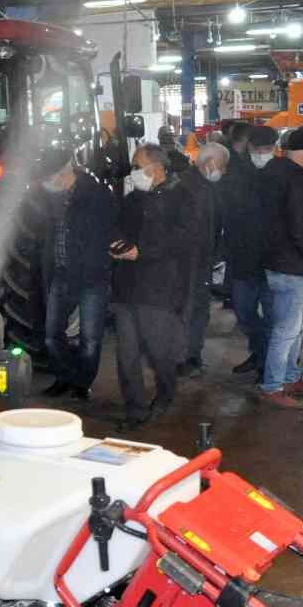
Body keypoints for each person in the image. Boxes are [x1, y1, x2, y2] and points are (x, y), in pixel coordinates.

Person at [109, 145, 194, 428]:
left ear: (156, 167)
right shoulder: (133, 199)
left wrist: (142, 251)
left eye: (137, 166)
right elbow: (119, 227)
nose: (132, 172)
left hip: (158, 289)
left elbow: (182, 241)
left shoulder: (181, 198)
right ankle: (135, 409)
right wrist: (117, 245)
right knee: (126, 353)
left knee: (159, 351)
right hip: (126, 286)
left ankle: (166, 395)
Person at [35, 149, 117, 401]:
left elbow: (106, 234)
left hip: (92, 277)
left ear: (64, 172)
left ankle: (82, 383)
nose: (47, 183)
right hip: (60, 274)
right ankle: (64, 376)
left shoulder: (97, 195)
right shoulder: (52, 199)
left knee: (90, 338)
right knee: (51, 336)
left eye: (50, 177)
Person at [255, 126, 303, 407]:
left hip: (276, 258)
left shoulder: (272, 173)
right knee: (286, 328)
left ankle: (290, 376)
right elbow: (301, 226)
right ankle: (273, 387)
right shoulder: (295, 180)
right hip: (290, 262)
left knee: (295, 325)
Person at [222, 124, 274, 374]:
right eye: (259, 148)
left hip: (273, 261)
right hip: (243, 257)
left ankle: (269, 364)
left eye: (268, 148)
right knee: (244, 312)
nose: (263, 153)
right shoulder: (236, 173)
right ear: (249, 148)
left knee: (275, 317)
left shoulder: (281, 173)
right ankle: (261, 352)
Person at [178, 143, 227, 376]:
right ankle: (186, 358)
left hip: (199, 261)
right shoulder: (190, 188)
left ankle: (189, 356)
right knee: (192, 310)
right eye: (223, 166)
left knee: (196, 310)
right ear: (209, 163)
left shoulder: (203, 186)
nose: (224, 171)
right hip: (190, 263)